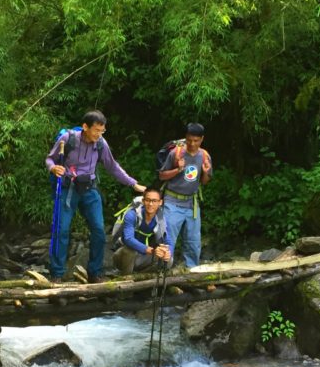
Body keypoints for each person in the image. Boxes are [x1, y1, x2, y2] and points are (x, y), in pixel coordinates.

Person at [46, 110, 145, 283]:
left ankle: (95, 272)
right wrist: (54, 168)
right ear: (85, 127)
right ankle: (57, 274)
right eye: (96, 131)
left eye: (102, 131)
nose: (99, 135)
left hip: (90, 189)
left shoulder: (101, 144)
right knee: (61, 230)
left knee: (99, 230)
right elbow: (49, 159)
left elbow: (112, 167)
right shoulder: (68, 140)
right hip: (67, 189)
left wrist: (132, 183)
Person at [158, 122, 212, 269]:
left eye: (196, 141)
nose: (192, 144)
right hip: (172, 202)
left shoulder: (205, 156)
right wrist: (177, 169)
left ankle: (192, 271)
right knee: (169, 240)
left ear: (201, 139)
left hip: (191, 204)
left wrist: (206, 172)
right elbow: (162, 176)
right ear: (185, 138)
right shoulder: (175, 153)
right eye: (189, 140)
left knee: (193, 241)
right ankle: (163, 272)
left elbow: (204, 181)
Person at [112, 186, 172, 276]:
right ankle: (126, 280)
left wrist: (167, 252)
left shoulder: (161, 219)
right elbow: (128, 239)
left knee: (169, 259)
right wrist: (151, 250)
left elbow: (168, 241)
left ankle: (141, 277)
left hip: (143, 258)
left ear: (160, 202)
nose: (151, 204)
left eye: (154, 201)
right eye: (148, 200)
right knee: (129, 251)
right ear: (143, 201)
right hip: (122, 256)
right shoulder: (132, 214)